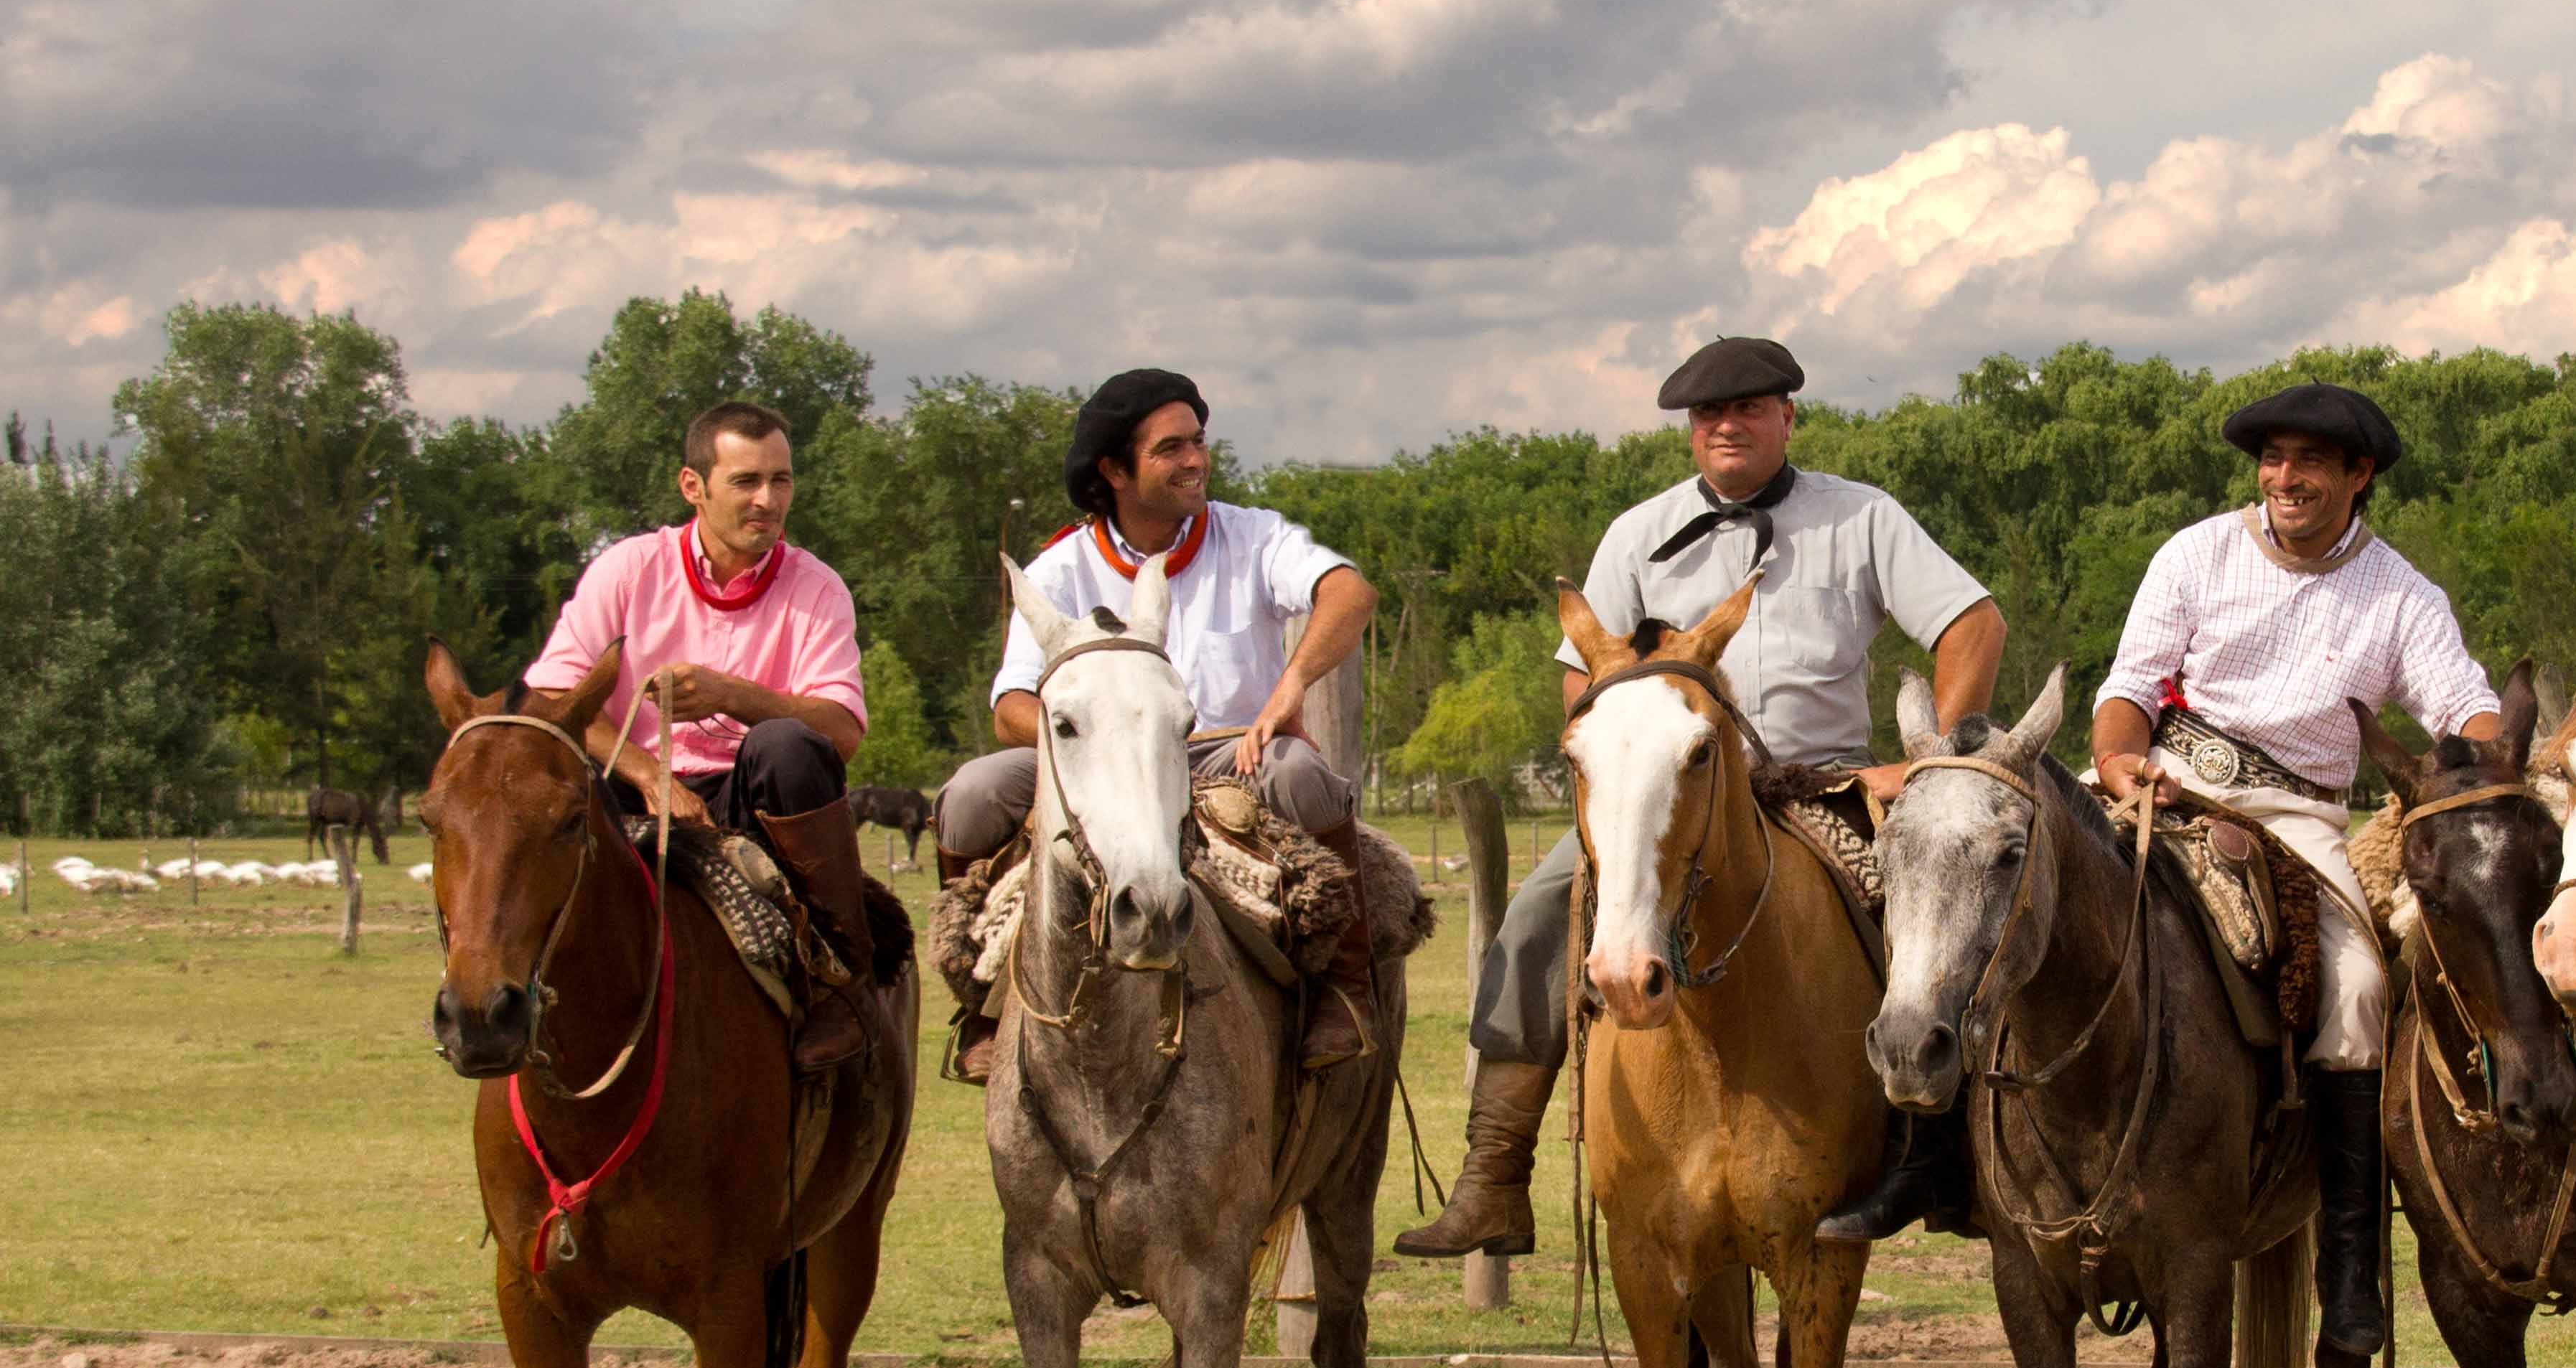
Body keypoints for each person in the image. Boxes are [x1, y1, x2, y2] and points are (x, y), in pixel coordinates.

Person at [1394, 333, 2007, 1261]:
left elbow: (1974, 624)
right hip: (1666, 793)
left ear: (1787, 419)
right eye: (1710, 414)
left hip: (1818, 787)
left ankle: (1947, 1159)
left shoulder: (1864, 518)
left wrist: (1925, 764)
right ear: (1690, 431)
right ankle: (1495, 1173)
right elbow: (1585, 677)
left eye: (1751, 409)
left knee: (1939, 918)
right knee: (1532, 916)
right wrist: (1621, 767)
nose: (1729, 426)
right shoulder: (1636, 534)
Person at [2091, 381, 2501, 1360]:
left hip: (2296, 814)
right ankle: (1955, 1165)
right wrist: (2114, 762)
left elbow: (2466, 708)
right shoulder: (2195, 552)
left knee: (2357, 990)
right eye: (2273, 460)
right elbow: (2131, 683)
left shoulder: (2401, 594)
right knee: (2010, 882)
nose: (2285, 479)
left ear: (2360, 477)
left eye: (2310, 463)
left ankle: (2351, 1268)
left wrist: (2492, 762)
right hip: (2166, 776)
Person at [933, 368, 1381, 1079]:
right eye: (1171, 448)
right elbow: (1010, 706)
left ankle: (1344, 990)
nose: (1195, 460)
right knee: (970, 795)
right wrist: (1090, 734)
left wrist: (1289, 686)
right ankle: (978, 999)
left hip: (1227, 751)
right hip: (1095, 765)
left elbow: (1349, 592)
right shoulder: (1061, 568)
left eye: (1198, 441)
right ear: (1114, 469)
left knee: (1303, 776)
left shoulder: (1255, 536)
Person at [524, 399, 882, 1074]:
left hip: (753, 800)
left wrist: (734, 695)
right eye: (746, 481)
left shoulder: (817, 587)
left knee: (789, 746)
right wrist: (645, 774)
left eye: (781, 480)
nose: (767, 501)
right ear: (694, 486)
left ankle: (842, 983)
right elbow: (550, 693)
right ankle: (508, 991)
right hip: (632, 792)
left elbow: (841, 734)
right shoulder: (629, 569)